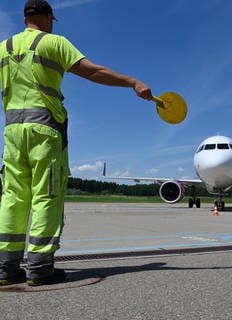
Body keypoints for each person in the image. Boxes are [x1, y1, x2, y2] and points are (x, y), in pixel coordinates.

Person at [0, 0, 153, 286]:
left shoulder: (2, 48)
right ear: (48, 18)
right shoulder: (54, 43)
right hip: (44, 130)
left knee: (12, 197)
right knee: (46, 195)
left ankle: (6, 268)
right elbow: (93, 72)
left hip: (11, 132)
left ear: (24, 20)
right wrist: (132, 82)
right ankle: (40, 268)